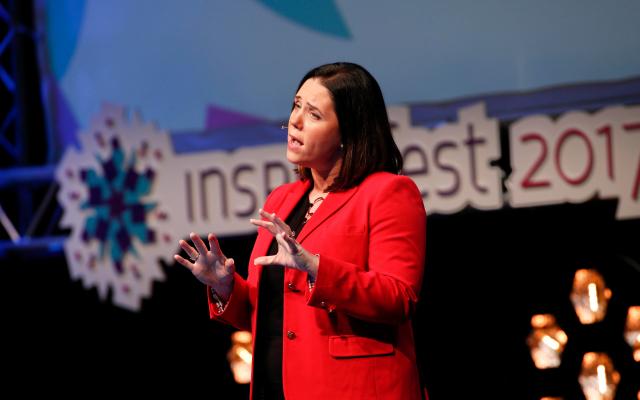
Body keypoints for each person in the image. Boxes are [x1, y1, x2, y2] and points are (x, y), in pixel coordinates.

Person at [174, 62, 427, 400]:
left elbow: (399, 298)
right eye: (296, 105)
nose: (295, 120)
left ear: (348, 132)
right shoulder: (283, 199)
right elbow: (273, 315)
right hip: (276, 386)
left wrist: (317, 268)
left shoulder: (387, 192)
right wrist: (224, 285)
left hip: (356, 389)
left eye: (314, 114)